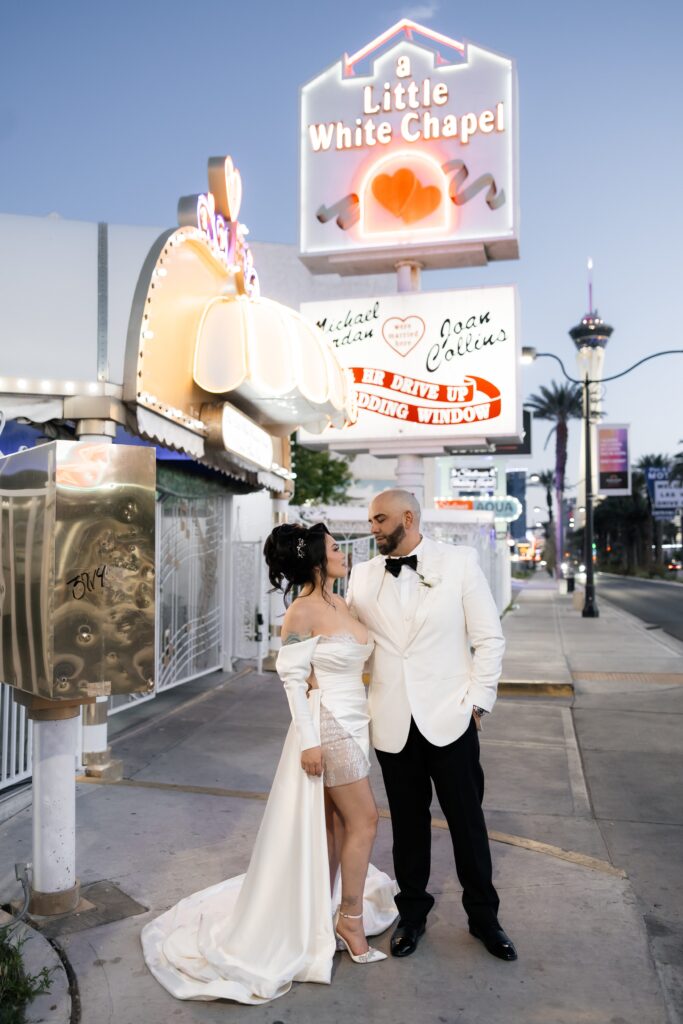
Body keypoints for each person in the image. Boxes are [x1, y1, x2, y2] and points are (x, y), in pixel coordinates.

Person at [141, 522, 397, 1005]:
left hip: (356, 722)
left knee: (335, 825)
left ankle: (312, 912)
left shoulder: (341, 602)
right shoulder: (301, 611)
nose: (344, 553)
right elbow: (292, 679)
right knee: (364, 820)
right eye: (336, 548)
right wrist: (308, 742)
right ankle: (350, 921)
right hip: (329, 726)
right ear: (317, 560)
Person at [346, 489, 517, 962]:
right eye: (371, 520)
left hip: (451, 718)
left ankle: (484, 917)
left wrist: (477, 704)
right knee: (408, 826)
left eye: (379, 519)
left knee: (468, 823)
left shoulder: (458, 561)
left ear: (408, 516)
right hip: (392, 722)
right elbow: (352, 640)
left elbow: (489, 638)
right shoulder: (361, 576)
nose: (373, 528)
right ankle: (413, 915)